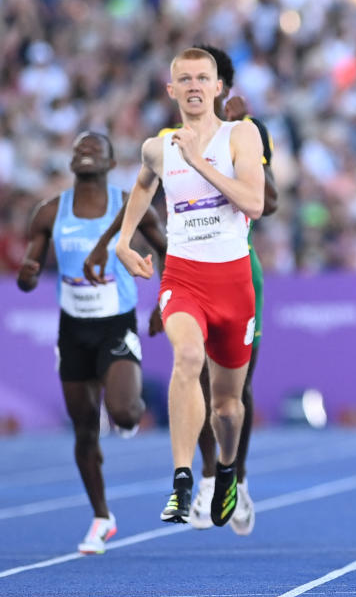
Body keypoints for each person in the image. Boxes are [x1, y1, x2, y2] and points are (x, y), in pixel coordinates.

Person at [84, 44, 278, 536]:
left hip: (233, 280)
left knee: (228, 406)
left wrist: (200, 162)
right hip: (184, 277)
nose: (194, 87)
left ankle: (229, 470)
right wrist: (124, 242)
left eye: (202, 78)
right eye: (184, 80)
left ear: (218, 88)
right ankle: (183, 477)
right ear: (172, 90)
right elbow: (144, 184)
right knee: (187, 358)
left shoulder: (242, 135)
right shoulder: (158, 145)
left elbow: (254, 202)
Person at [16, 132, 165, 554]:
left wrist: (167, 299)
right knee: (84, 429)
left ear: (110, 161)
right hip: (73, 328)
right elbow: (31, 267)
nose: (85, 154)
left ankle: (134, 412)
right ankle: (102, 517)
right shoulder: (49, 212)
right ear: (71, 163)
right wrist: (28, 274)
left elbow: (167, 249)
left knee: (123, 411)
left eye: (94, 149)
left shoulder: (129, 205)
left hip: (115, 323)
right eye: (79, 149)